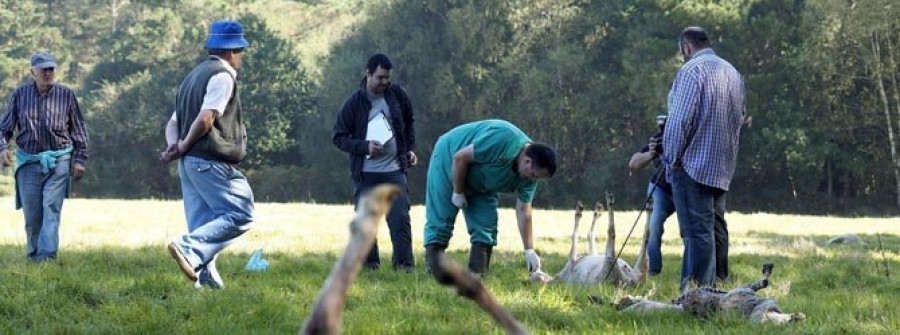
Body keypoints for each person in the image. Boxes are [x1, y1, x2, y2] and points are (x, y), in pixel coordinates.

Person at [160, 20, 253, 289]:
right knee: (240, 214)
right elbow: (206, 118)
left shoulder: (192, 78)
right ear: (233, 51)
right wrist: (186, 144)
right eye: (241, 52)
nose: (240, 58)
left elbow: (173, 122)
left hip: (189, 165)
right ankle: (186, 248)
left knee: (203, 224)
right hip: (210, 161)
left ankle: (207, 286)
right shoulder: (223, 76)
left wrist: (174, 147)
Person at [662, 27, 745, 291]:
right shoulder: (732, 72)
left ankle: (696, 293)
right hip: (722, 165)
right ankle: (720, 284)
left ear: (686, 48)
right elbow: (740, 116)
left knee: (697, 232)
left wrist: (671, 159)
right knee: (715, 228)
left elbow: (679, 122)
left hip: (693, 165)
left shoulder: (691, 71)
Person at [423, 119, 556, 277]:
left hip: (482, 181)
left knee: (486, 226)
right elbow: (460, 157)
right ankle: (434, 270)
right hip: (449, 157)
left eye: (538, 178)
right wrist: (458, 192)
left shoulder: (530, 177)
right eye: (534, 174)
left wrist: (529, 250)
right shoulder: (502, 139)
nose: (533, 179)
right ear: (527, 161)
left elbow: (523, 209)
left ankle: (477, 274)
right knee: (441, 219)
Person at [0, 52, 90, 262]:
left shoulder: (66, 95)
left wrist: (80, 159)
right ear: (33, 72)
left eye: (51, 69)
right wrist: (2, 148)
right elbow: (4, 128)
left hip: (59, 160)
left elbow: (78, 128)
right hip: (29, 161)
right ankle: (34, 255)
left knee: (51, 206)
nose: (48, 73)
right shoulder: (20, 95)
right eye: (44, 70)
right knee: (32, 215)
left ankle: (47, 257)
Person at [332, 53, 417, 271]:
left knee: (400, 220)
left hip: (395, 170)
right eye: (380, 77)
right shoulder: (354, 103)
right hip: (366, 174)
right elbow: (339, 137)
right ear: (368, 74)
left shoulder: (397, 95)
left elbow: (408, 123)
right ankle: (371, 266)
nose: (385, 82)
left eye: (387, 78)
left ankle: (404, 267)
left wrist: (409, 150)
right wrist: (364, 146)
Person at [628, 115, 675, 276]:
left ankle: (693, 273)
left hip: (686, 192)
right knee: (653, 227)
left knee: (689, 230)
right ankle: (653, 271)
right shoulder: (659, 139)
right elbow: (633, 163)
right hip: (661, 188)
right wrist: (652, 154)